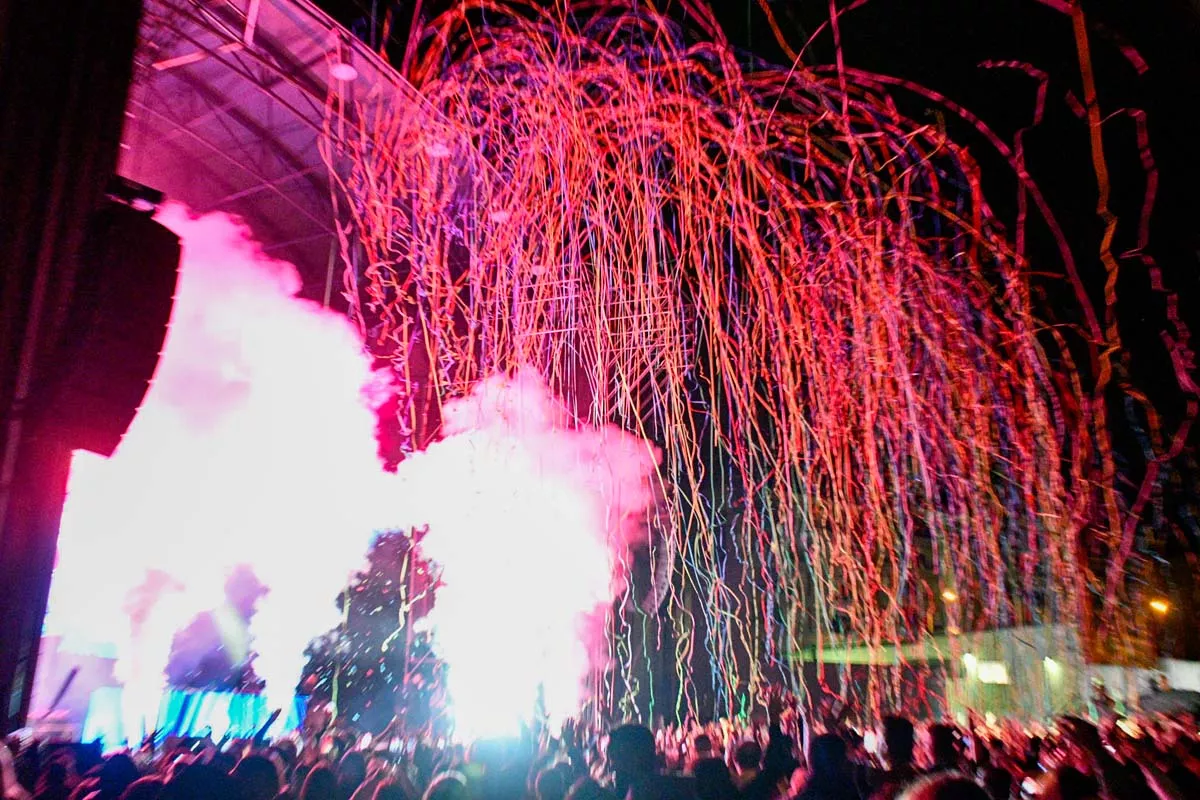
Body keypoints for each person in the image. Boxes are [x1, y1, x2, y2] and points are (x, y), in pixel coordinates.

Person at [794, 735, 861, 800]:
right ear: (838, 762)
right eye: (845, 757)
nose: (849, 761)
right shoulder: (847, 791)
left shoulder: (808, 794)